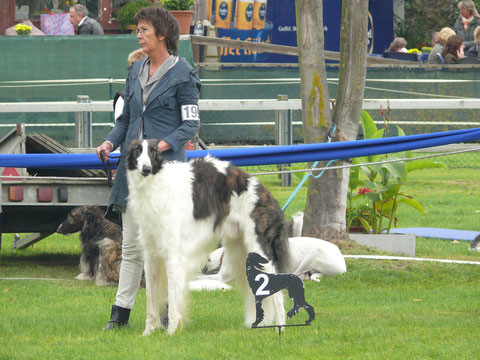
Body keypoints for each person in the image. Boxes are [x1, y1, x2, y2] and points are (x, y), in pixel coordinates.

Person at [96, 6, 201, 330]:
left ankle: (169, 313)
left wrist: (158, 147)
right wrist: (110, 143)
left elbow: (191, 124)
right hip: (133, 178)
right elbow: (126, 119)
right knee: (131, 246)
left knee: (170, 246)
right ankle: (120, 314)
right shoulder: (135, 70)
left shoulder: (184, 73)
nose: (138, 35)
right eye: (138, 30)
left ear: (163, 35)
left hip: (167, 175)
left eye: (143, 30)